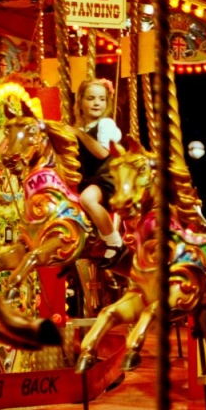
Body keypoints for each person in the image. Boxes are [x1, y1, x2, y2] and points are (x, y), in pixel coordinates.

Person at [67, 77, 125, 268]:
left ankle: (115, 242)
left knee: (87, 199)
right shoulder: (82, 127)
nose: (96, 103)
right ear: (80, 102)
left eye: (102, 99)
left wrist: (79, 134)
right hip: (89, 179)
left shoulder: (105, 124)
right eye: (91, 98)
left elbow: (102, 153)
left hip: (106, 177)